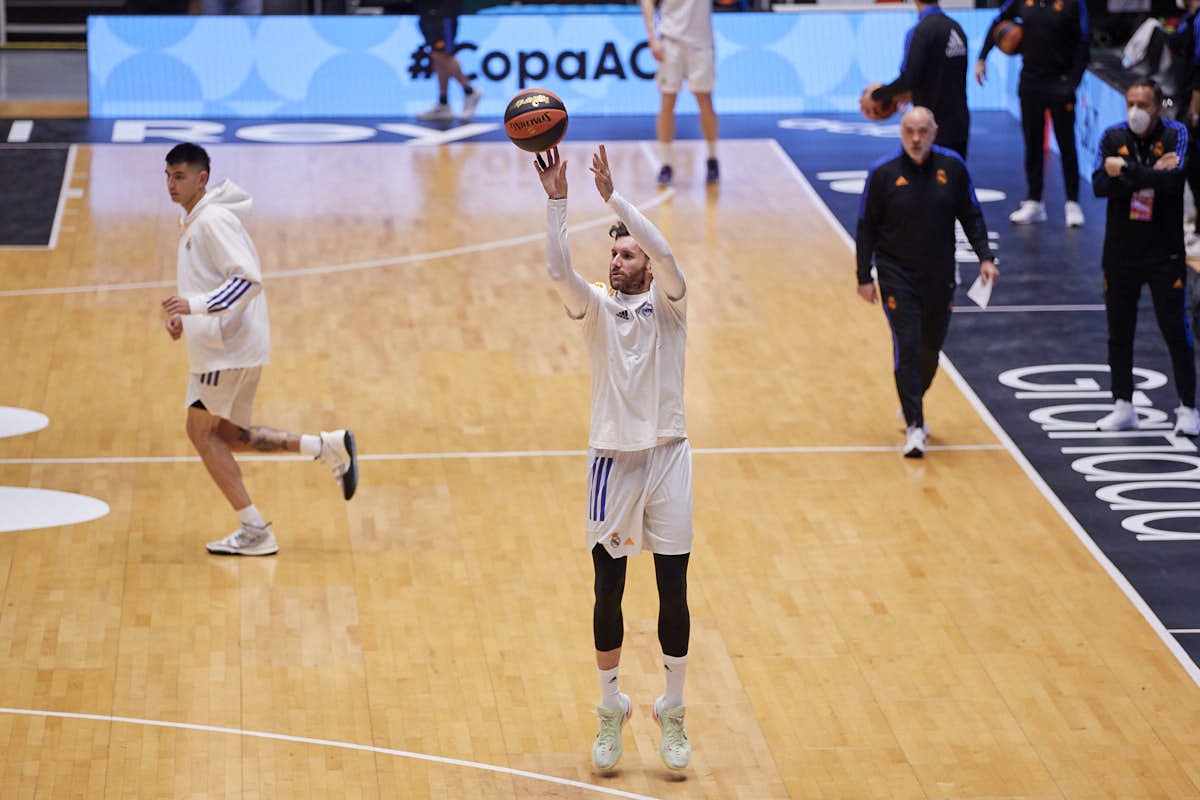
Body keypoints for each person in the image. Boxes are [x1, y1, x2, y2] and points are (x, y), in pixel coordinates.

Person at [533, 144, 693, 772]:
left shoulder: (672, 305)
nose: (618, 261)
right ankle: (611, 710)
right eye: (614, 253)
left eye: (629, 254)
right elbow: (556, 271)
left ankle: (672, 710)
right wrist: (557, 203)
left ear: (648, 266)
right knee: (609, 591)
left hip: (669, 459)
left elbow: (670, 253)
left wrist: (615, 199)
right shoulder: (595, 307)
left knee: (673, 590)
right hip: (612, 465)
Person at [160, 143, 359, 556]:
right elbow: (210, 280)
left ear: (201, 179)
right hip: (230, 344)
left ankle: (254, 529)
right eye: (167, 175)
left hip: (226, 349)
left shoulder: (212, 220)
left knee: (200, 433)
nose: (171, 184)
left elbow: (247, 280)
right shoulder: (197, 219)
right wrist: (186, 315)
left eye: (179, 176)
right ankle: (324, 446)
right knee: (230, 435)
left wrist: (195, 307)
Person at [856, 107, 1000, 457]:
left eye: (922, 131)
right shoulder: (883, 174)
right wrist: (863, 276)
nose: (916, 139)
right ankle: (915, 426)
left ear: (935, 131)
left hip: (939, 276)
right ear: (901, 132)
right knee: (907, 344)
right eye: (909, 131)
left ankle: (912, 400)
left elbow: (971, 214)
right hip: (896, 275)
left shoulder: (952, 168)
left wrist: (985, 257)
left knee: (930, 351)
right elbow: (866, 227)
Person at [1091, 79, 1200, 435]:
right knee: (1118, 331)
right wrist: (1151, 175)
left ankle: (1188, 407)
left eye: (1144, 104)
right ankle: (1123, 404)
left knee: (1174, 329)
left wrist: (1124, 171)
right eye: (1131, 103)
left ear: (1158, 107)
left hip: (1164, 253)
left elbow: (1174, 181)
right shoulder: (1112, 135)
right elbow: (1098, 185)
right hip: (1120, 252)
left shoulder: (1176, 134)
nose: (1136, 111)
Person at [975, 0, 1090, 227]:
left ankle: (1072, 203)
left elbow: (1084, 42)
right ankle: (1034, 202)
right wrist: (982, 57)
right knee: (1032, 142)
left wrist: (1073, 82)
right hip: (1030, 81)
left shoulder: (1074, 3)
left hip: (1061, 81)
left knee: (1067, 143)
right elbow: (997, 22)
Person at [863, 0, 970, 159]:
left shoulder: (920, 31)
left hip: (930, 125)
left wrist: (877, 95)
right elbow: (942, 75)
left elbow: (909, 79)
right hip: (960, 121)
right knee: (955, 178)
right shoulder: (957, 28)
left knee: (925, 180)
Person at [640, 0, 719, 186]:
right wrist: (652, 37)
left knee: (705, 101)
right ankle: (666, 163)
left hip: (701, 42)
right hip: (671, 40)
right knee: (667, 102)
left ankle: (712, 158)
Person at [415, 0, 482, 123]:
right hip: (426, 9)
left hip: (443, 11)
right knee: (436, 54)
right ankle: (443, 102)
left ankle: (469, 91)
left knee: (443, 54)